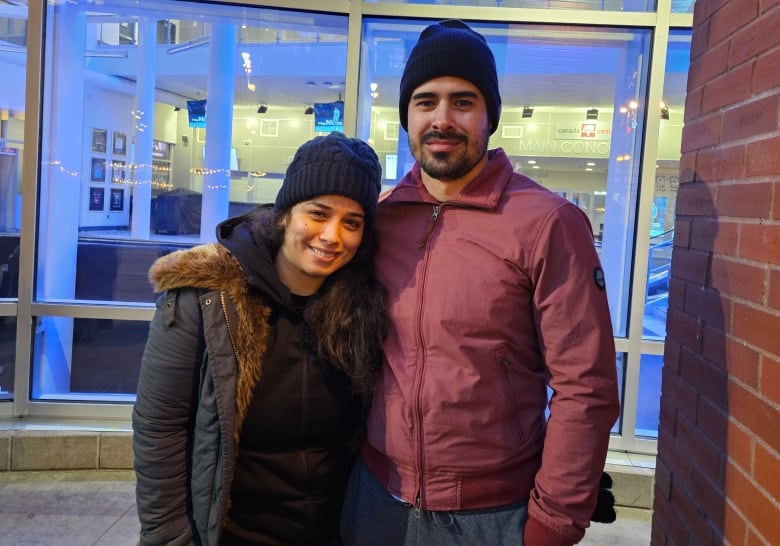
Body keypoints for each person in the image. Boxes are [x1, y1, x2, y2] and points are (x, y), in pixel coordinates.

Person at [340, 20, 621, 546]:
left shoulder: (547, 222)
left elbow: (587, 386)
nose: (441, 119)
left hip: (493, 513)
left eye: (462, 102)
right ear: (406, 116)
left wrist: (556, 519)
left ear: (490, 115)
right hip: (373, 497)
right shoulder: (380, 218)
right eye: (425, 102)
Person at [132, 131, 387, 546]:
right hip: (232, 532)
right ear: (285, 213)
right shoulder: (208, 295)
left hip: (335, 533)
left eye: (352, 222)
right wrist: (169, 537)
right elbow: (159, 427)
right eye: (318, 214)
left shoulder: (362, 306)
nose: (332, 236)